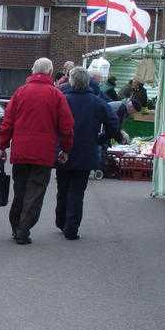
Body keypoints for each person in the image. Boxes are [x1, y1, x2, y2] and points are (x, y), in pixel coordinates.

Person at [0, 57, 74, 245]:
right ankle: (24, 228)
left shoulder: (20, 92)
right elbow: (66, 126)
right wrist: (65, 148)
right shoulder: (56, 95)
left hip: (21, 151)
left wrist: (3, 145)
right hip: (43, 153)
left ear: (32, 71)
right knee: (36, 191)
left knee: (20, 190)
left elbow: (7, 122)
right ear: (50, 72)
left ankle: (16, 225)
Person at [58, 67, 120, 240]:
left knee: (62, 188)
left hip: (64, 150)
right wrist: (101, 139)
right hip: (86, 151)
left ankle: (61, 220)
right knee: (77, 192)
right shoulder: (97, 102)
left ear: (71, 81)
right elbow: (113, 123)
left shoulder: (63, 99)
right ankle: (71, 228)